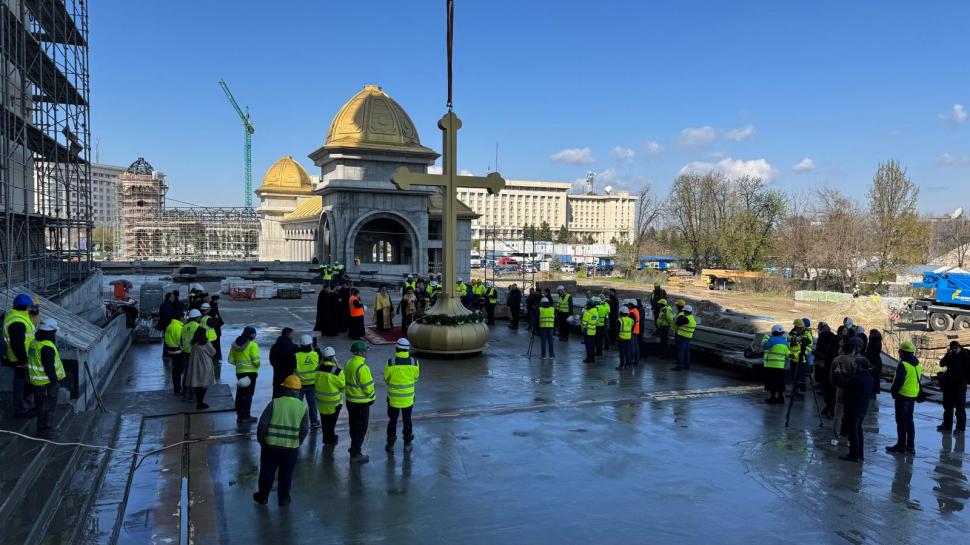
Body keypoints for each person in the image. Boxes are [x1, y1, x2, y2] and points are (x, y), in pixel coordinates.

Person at [254, 375, 309, 507]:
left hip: (271, 447)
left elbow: (262, 424)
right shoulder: (302, 407)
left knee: (267, 473)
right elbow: (304, 429)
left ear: (285, 389)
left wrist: (261, 440)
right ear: (297, 391)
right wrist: (297, 442)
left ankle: (263, 497)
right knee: (286, 475)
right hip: (290, 449)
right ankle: (283, 499)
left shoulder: (275, 403)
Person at [832, 354, 873, 462]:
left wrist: (838, 374)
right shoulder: (868, 377)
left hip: (853, 408)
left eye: (855, 364)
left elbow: (843, 384)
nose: (853, 366)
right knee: (858, 431)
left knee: (853, 432)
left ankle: (853, 455)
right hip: (862, 408)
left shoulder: (858, 378)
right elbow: (851, 381)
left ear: (859, 366)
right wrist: (844, 374)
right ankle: (859, 454)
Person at [28, 319, 65, 437]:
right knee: (47, 407)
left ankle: (42, 429)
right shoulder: (47, 346)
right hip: (47, 383)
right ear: (50, 332)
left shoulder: (34, 342)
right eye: (54, 332)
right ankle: (44, 431)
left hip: (37, 382)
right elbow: (49, 367)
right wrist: (54, 381)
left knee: (40, 406)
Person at [384, 338, 420, 453]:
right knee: (407, 420)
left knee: (392, 421)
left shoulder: (390, 362)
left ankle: (390, 444)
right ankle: (407, 444)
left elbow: (386, 379)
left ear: (396, 348)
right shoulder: (414, 362)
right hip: (408, 399)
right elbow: (416, 378)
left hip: (393, 399)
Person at [4, 293, 37, 417]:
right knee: (20, 382)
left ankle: (26, 404)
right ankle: (21, 408)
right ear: (26, 307)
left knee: (24, 381)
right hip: (20, 359)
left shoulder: (16, 317)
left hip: (20, 357)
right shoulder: (17, 321)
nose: (31, 309)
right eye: (30, 306)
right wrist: (23, 361)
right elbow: (17, 344)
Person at [887, 340, 922, 455]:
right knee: (909, 421)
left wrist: (893, 392)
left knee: (901, 422)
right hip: (913, 395)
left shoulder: (903, 365)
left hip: (902, 396)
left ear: (902, 352)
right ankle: (910, 447)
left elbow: (898, 381)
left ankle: (900, 445)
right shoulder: (918, 364)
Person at [345, 340, 375, 463]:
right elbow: (368, 387)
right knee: (361, 429)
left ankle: (353, 447)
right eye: (365, 351)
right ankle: (356, 453)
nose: (366, 353)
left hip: (350, 401)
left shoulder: (348, 363)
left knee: (353, 426)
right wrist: (372, 396)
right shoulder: (363, 368)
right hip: (361, 404)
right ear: (360, 352)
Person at [314, 346, 345, 447]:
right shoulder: (336, 371)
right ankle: (329, 439)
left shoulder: (317, 369)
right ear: (333, 357)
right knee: (331, 423)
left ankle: (326, 438)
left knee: (324, 421)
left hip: (321, 402)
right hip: (334, 403)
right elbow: (343, 385)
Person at [228, 326, 260, 423]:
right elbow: (255, 361)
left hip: (240, 372)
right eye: (254, 333)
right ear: (251, 334)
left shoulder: (235, 344)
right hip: (251, 373)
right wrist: (258, 365)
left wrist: (240, 365)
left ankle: (240, 414)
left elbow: (231, 360)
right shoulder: (252, 345)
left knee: (240, 394)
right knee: (248, 395)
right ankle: (246, 416)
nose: (255, 335)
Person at [938, 341, 969, 434]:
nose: (954, 350)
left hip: (959, 386)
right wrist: (947, 355)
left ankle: (960, 428)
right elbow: (942, 364)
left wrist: (963, 381)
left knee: (960, 408)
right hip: (948, 386)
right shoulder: (950, 355)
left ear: (959, 347)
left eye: (955, 348)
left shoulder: (965, 356)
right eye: (952, 349)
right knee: (947, 407)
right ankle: (947, 425)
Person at [294, 335, 321, 430]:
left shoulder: (296, 356)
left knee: (298, 405)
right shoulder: (315, 355)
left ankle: (297, 422)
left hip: (299, 385)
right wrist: (316, 347)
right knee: (312, 404)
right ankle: (313, 422)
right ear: (310, 344)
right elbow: (321, 358)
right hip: (312, 385)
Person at [186, 325, 216, 410]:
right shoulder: (206, 343)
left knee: (197, 385)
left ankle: (199, 402)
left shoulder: (194, 344)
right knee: (204, 384)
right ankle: (200, 402)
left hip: (195, 366)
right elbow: (213, 352)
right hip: (205, 366)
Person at [814, 322, 839, 417]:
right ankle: (829, 407)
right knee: (830, 387)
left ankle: (829, 408)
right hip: (831, 365)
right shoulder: (834, 337)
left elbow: (819, 348)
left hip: (825, 364)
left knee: (827, 386)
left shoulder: (823, 337)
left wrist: (816, 353)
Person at [179, 309, 204, 400]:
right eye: (200, 316)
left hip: (185, 352)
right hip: (195, 353)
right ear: (197, 317)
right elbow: (201, 341)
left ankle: (185, 391)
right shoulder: (198, 326)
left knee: (186, 372)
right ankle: (192, 394)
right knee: (195, 373)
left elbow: (181, 339)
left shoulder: (184, 326)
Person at [762, 325, 788, 404]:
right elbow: (787, 354)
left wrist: (765, 338)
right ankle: (781, 397)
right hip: (780, 366)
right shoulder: (785, 342)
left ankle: (772, 398)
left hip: (771, 365)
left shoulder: (772, 340)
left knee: (771, 382)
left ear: (773, 332)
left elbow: (764, 346)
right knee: (780, 382)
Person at [269, 328, 298, 398]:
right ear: (288, 335)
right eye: (291, 335)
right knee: (288, 398)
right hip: (289, 379)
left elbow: (271, 361)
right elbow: (296, 362)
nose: (292, 337)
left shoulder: (274, 347)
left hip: (277, 378)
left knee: (276, 398)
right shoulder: (294, 347)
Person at [164, 314, 185, 395]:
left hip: (171, 351)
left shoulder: (169, 326)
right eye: (183, 317)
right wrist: (184, 349)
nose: (184, 319)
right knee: (180, 371)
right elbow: (181, 341)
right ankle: (179, 388)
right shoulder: (179, 327)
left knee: (175, 370)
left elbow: (166, 339)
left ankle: (176, 388)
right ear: (180, 318)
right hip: (178, 352)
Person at [671, 304, 696, 371]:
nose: (683, 312)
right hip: (688, 337)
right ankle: (687, 365)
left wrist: (680, 317)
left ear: (686, 311)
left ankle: (679, 366)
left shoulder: (685, 318)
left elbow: (677, 323)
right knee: (686, 351)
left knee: (680, 351)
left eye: (684, 311)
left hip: (682, 336)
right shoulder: (692, 318)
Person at [865, 329, 883, 397]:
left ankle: (871, 392)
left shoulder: (873, 342)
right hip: (877, 361)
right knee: (876, 378)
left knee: (872, 377)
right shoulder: (878, 342)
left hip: (873, 361)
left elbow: (871, 353)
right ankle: (873, 393)